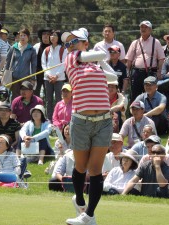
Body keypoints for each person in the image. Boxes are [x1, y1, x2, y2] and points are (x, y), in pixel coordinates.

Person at [62, 27, 116, 225]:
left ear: (85, 43)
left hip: (103, 121)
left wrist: (98, 63)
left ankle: (89, 216)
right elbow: (103, 53)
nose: (68, 45)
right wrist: (97, 57)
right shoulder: (71, 59)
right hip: (81, 122)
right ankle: (79, 199)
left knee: (95, 169)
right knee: (80, 166)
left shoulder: (94, 65)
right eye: (67, 43)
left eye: (72, 41)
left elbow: (113, 77)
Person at [125, 20, 165, 101]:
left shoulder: (156, 42)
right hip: (137, 73)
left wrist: (159, 71)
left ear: (150, 30)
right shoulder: (135, 43)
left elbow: (161, 58)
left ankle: (149, 113)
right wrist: (128, 74)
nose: (143, 29)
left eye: (145, 27)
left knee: (150, 95)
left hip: (150, 72)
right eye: (141, 27)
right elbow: (129, 60)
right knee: (135, 95)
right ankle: (134, 112)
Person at [41, 29, 67, 121]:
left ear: (59, 37)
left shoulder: (63, 50)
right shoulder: (46, 50)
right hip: (47, 78)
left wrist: (56, 76)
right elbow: (44, 64)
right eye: (51, 35)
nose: (52, 37)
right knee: (48, 100)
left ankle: (59, 119)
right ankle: (49, 119)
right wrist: (48, 75)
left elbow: (64, 64)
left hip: (59, 79)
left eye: (55, 35)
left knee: (59, 99)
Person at [6, 28, 37, 99]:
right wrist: (5, 74)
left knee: (25, 97)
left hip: (26, 78)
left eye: (24, 35)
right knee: (14, 97)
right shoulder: (13, 48)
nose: (22, 37)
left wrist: (33, 78)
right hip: (14, 78)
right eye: (21, 35)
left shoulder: (32, 49)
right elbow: (7, 62)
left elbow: (33, 65)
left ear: (28, 37)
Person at [33, 27, 51, 97]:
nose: (45, 35)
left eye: (48, 34)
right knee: (36, 94)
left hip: (49, 75)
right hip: (37, 74)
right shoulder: (36, 46)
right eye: (44, 34)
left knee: (48, 95)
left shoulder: (53, 47)